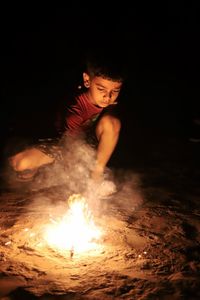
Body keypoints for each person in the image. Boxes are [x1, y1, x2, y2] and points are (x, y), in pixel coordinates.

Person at [7, 49, 126, 184]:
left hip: (95, 152)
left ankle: (96, 174)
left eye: (115, 91)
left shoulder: (111, 104)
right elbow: (71, 147)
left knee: (111, 122)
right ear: (87, 80)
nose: (108, 96)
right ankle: (43, 169)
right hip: (65, 145)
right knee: (19, 164)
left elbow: (111, 128)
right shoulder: (74, 108)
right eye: (101, 89)